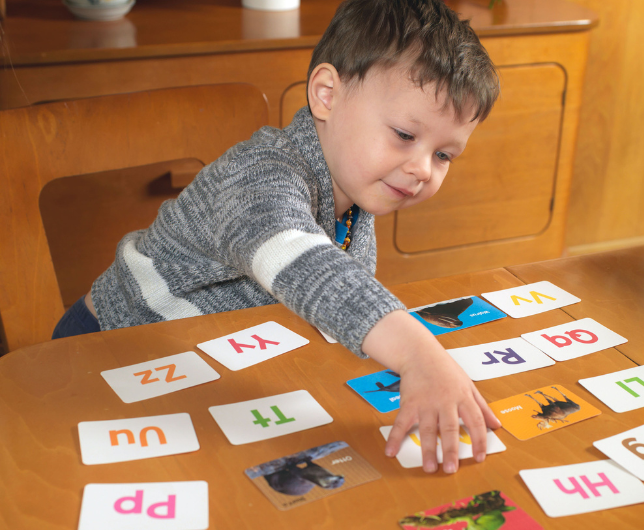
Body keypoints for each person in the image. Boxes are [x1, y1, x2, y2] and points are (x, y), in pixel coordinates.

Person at [53, 0, 502, 474]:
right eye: (404, 135)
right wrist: (419, 354)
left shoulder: (354, 189)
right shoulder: (259, 173)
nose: (421, 170)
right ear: (327, 95)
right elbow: (302, 262)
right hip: (106, 353)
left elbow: (334, 305)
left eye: (445, 156)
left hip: (208, 362)